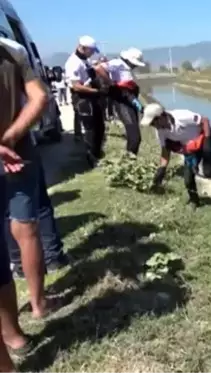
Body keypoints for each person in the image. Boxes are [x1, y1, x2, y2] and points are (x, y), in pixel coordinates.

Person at [0, 36, 45, 371]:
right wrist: (12, 135)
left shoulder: (12, 52)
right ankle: (36, 306)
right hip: (16, 149)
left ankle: (14, 335)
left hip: (13, 150)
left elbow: (40, 96)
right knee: (26, 227)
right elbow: (38, 98)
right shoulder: (12, 50)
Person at [140, 103, 211, 208]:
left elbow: (205, 121)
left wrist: (207, 141)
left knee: (209, 172)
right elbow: (165, 152)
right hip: (191, 147)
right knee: (188, 178)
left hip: (205, 137)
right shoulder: (161, 132)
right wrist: (161, 169)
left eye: (153, 122)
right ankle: (194, 201)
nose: (153, 126)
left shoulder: (182, 116)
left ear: (160, 117)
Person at [64, 35, 107, 166]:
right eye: (91, 51)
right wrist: (97, 91)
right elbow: (76, 86)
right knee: (90, 129)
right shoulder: (73, 63)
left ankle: (98, 152)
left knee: (100, 126)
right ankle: (91, 158)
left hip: (92, 96)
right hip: (83, 99)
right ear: (83, 48)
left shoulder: (84, 61)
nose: (93, 53)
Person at [97, 48, 146, 156]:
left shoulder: (127, 68)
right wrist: (110, 82)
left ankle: (130, 159)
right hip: (123, 103)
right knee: (135, 137)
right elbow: (99, 68)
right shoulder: (118, 63)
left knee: (135, 136)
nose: (136, 66)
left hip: (130, 101)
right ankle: (129, 161)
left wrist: (141, 108)